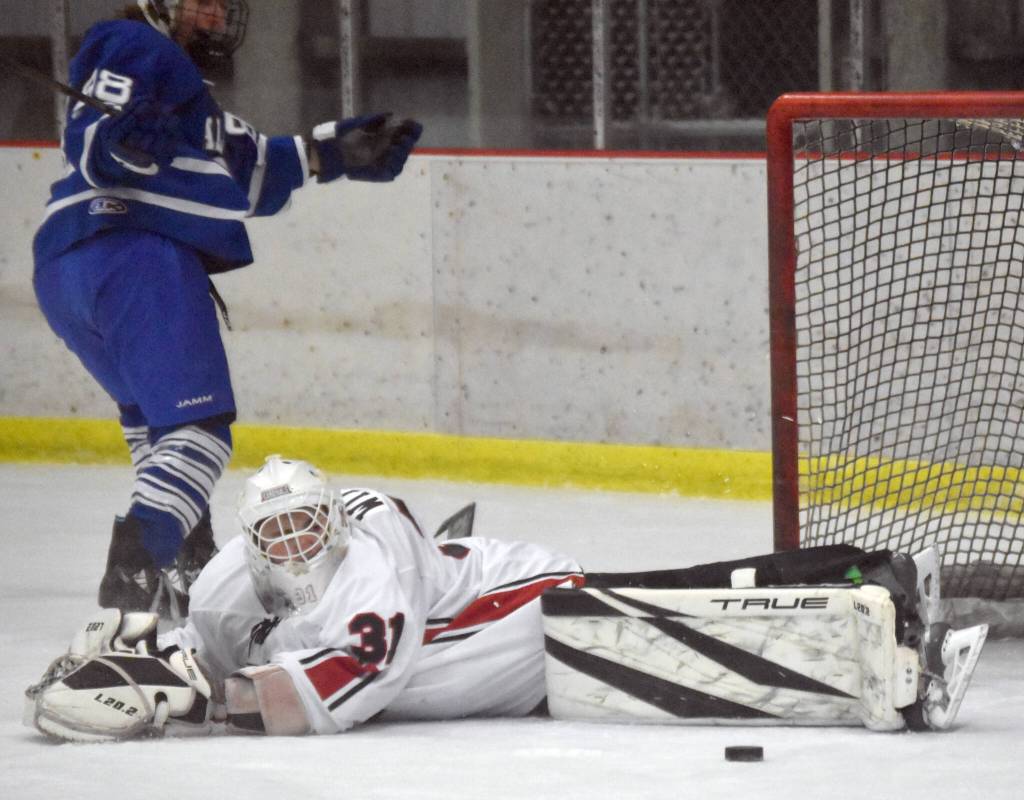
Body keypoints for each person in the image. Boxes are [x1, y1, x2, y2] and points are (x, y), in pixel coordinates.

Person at [24, 455, 988, 741]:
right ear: (252, 539)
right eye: (275, 535)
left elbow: (352, 681)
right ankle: (864, 584)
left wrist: (200, 699)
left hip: (518, 606)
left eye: (306, 526)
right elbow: (220, 636)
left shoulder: (374, 558)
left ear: (333, 521)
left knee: (672, 628)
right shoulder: (240, 570)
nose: (293, 546)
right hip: (462, 647)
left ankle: (867, 580)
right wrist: (166, 652)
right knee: (667, 640)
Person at [31, 1, 422, 619]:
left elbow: (250, 170)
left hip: (70, 271)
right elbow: (89, 138)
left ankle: (190, 567)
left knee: (158, 426)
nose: (215, 18)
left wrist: (332, 154)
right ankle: (137, 571)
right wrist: (121, 142)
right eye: (201, 4)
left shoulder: (185, 91)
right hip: (133, 255)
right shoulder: (136, 44)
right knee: (200, 433)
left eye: (220, 6)